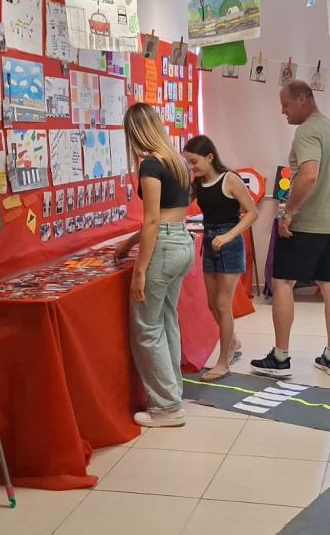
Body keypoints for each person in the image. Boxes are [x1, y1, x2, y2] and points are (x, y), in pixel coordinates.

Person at [250, 81, 330, 377]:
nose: (283, 111)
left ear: (302, 99)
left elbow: (308, 176)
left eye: (285, 105)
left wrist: (289, 212)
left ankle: (280, 358)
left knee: (283, 282)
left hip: (307, 224)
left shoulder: (307, 131)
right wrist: (329, 196)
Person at [115, 103, 194, 426]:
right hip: (182, 242)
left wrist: (140, 271)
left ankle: (166, 407)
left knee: (147, 329)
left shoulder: (150, 165)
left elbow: (151, 221)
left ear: (134, 132)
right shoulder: (176, 161)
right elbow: (165, 215)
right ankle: (173, 395)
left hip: (163, 247)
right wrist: (129, 244)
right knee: (166, 321)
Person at [183, 136, 259, 381]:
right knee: (212, 304)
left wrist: (228, 236)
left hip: (229, 245)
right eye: (188, 163)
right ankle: (233, 341)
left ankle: (223, 361)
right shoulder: (199, 182)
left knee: (223, 304)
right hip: (209, 242)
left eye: (194, 162)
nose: (191, 167)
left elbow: (251, 213)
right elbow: (182, 204)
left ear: (210, 157)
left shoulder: (230, 179)